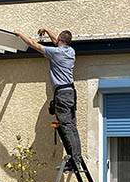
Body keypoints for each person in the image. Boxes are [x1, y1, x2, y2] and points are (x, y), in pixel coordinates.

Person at [15, 28, 83, 170]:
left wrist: (20, 33)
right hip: (70, 92)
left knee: (66, 127)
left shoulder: (56, 53)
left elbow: (34, 45)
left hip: (62, 94)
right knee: (72, 127)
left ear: (59, 40)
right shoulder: (70, 51)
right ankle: (77, 158)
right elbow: (56, 41)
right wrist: (46, 30)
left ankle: (75, 161)